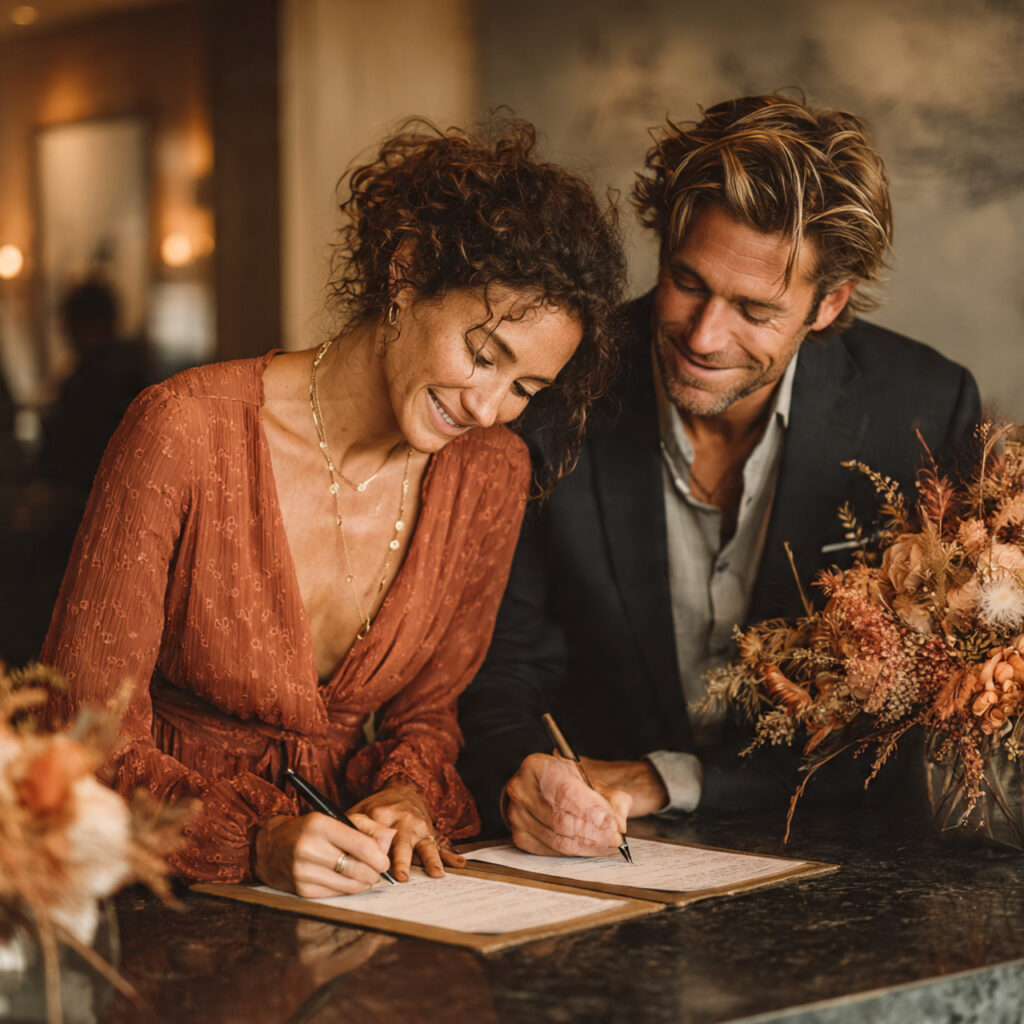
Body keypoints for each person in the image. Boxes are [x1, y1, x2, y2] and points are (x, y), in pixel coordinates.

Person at [42, 118, 626, 892]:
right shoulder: (182, 429)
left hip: (358, 888)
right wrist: (251, 842)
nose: (488, 407)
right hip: (154, 887)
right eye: (483, 355)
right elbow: (80, 734)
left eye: (525, 387)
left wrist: (406, 795)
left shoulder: (490, 471)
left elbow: (430, 714)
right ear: (406, 274)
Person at [457, 94, 981, 855]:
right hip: (595, 852)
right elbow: (499, 669)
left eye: (755, 311)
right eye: (688, 281)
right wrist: (526, 773)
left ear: (828, 304)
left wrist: (669, 780)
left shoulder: (922, 410)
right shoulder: (556, 392)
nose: (704, 337)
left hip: (841, 850)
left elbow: (911, 717)